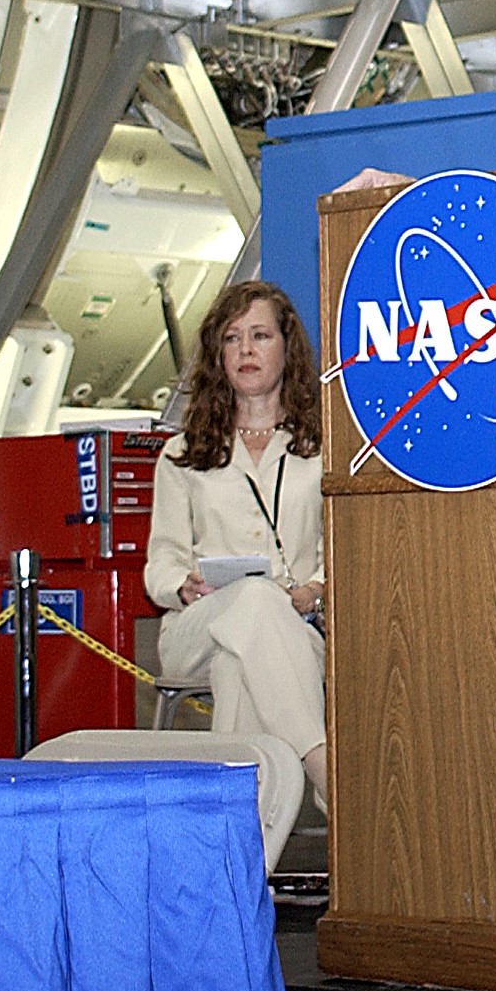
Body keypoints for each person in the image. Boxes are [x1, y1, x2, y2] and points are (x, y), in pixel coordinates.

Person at [146, 280, 331, 811]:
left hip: (295, 627)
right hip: (197, 627)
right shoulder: (181, 454)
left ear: (287, 348)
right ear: (218, 355)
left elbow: (336, 552)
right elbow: (161, 562)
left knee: (240, 665)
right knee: (251, 597)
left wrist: (316, 589)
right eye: (232, 338)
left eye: (260, 336)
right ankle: (324, 769)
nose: (246, 350)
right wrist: (183, 585)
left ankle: (242, 833)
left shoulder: (321, 450)